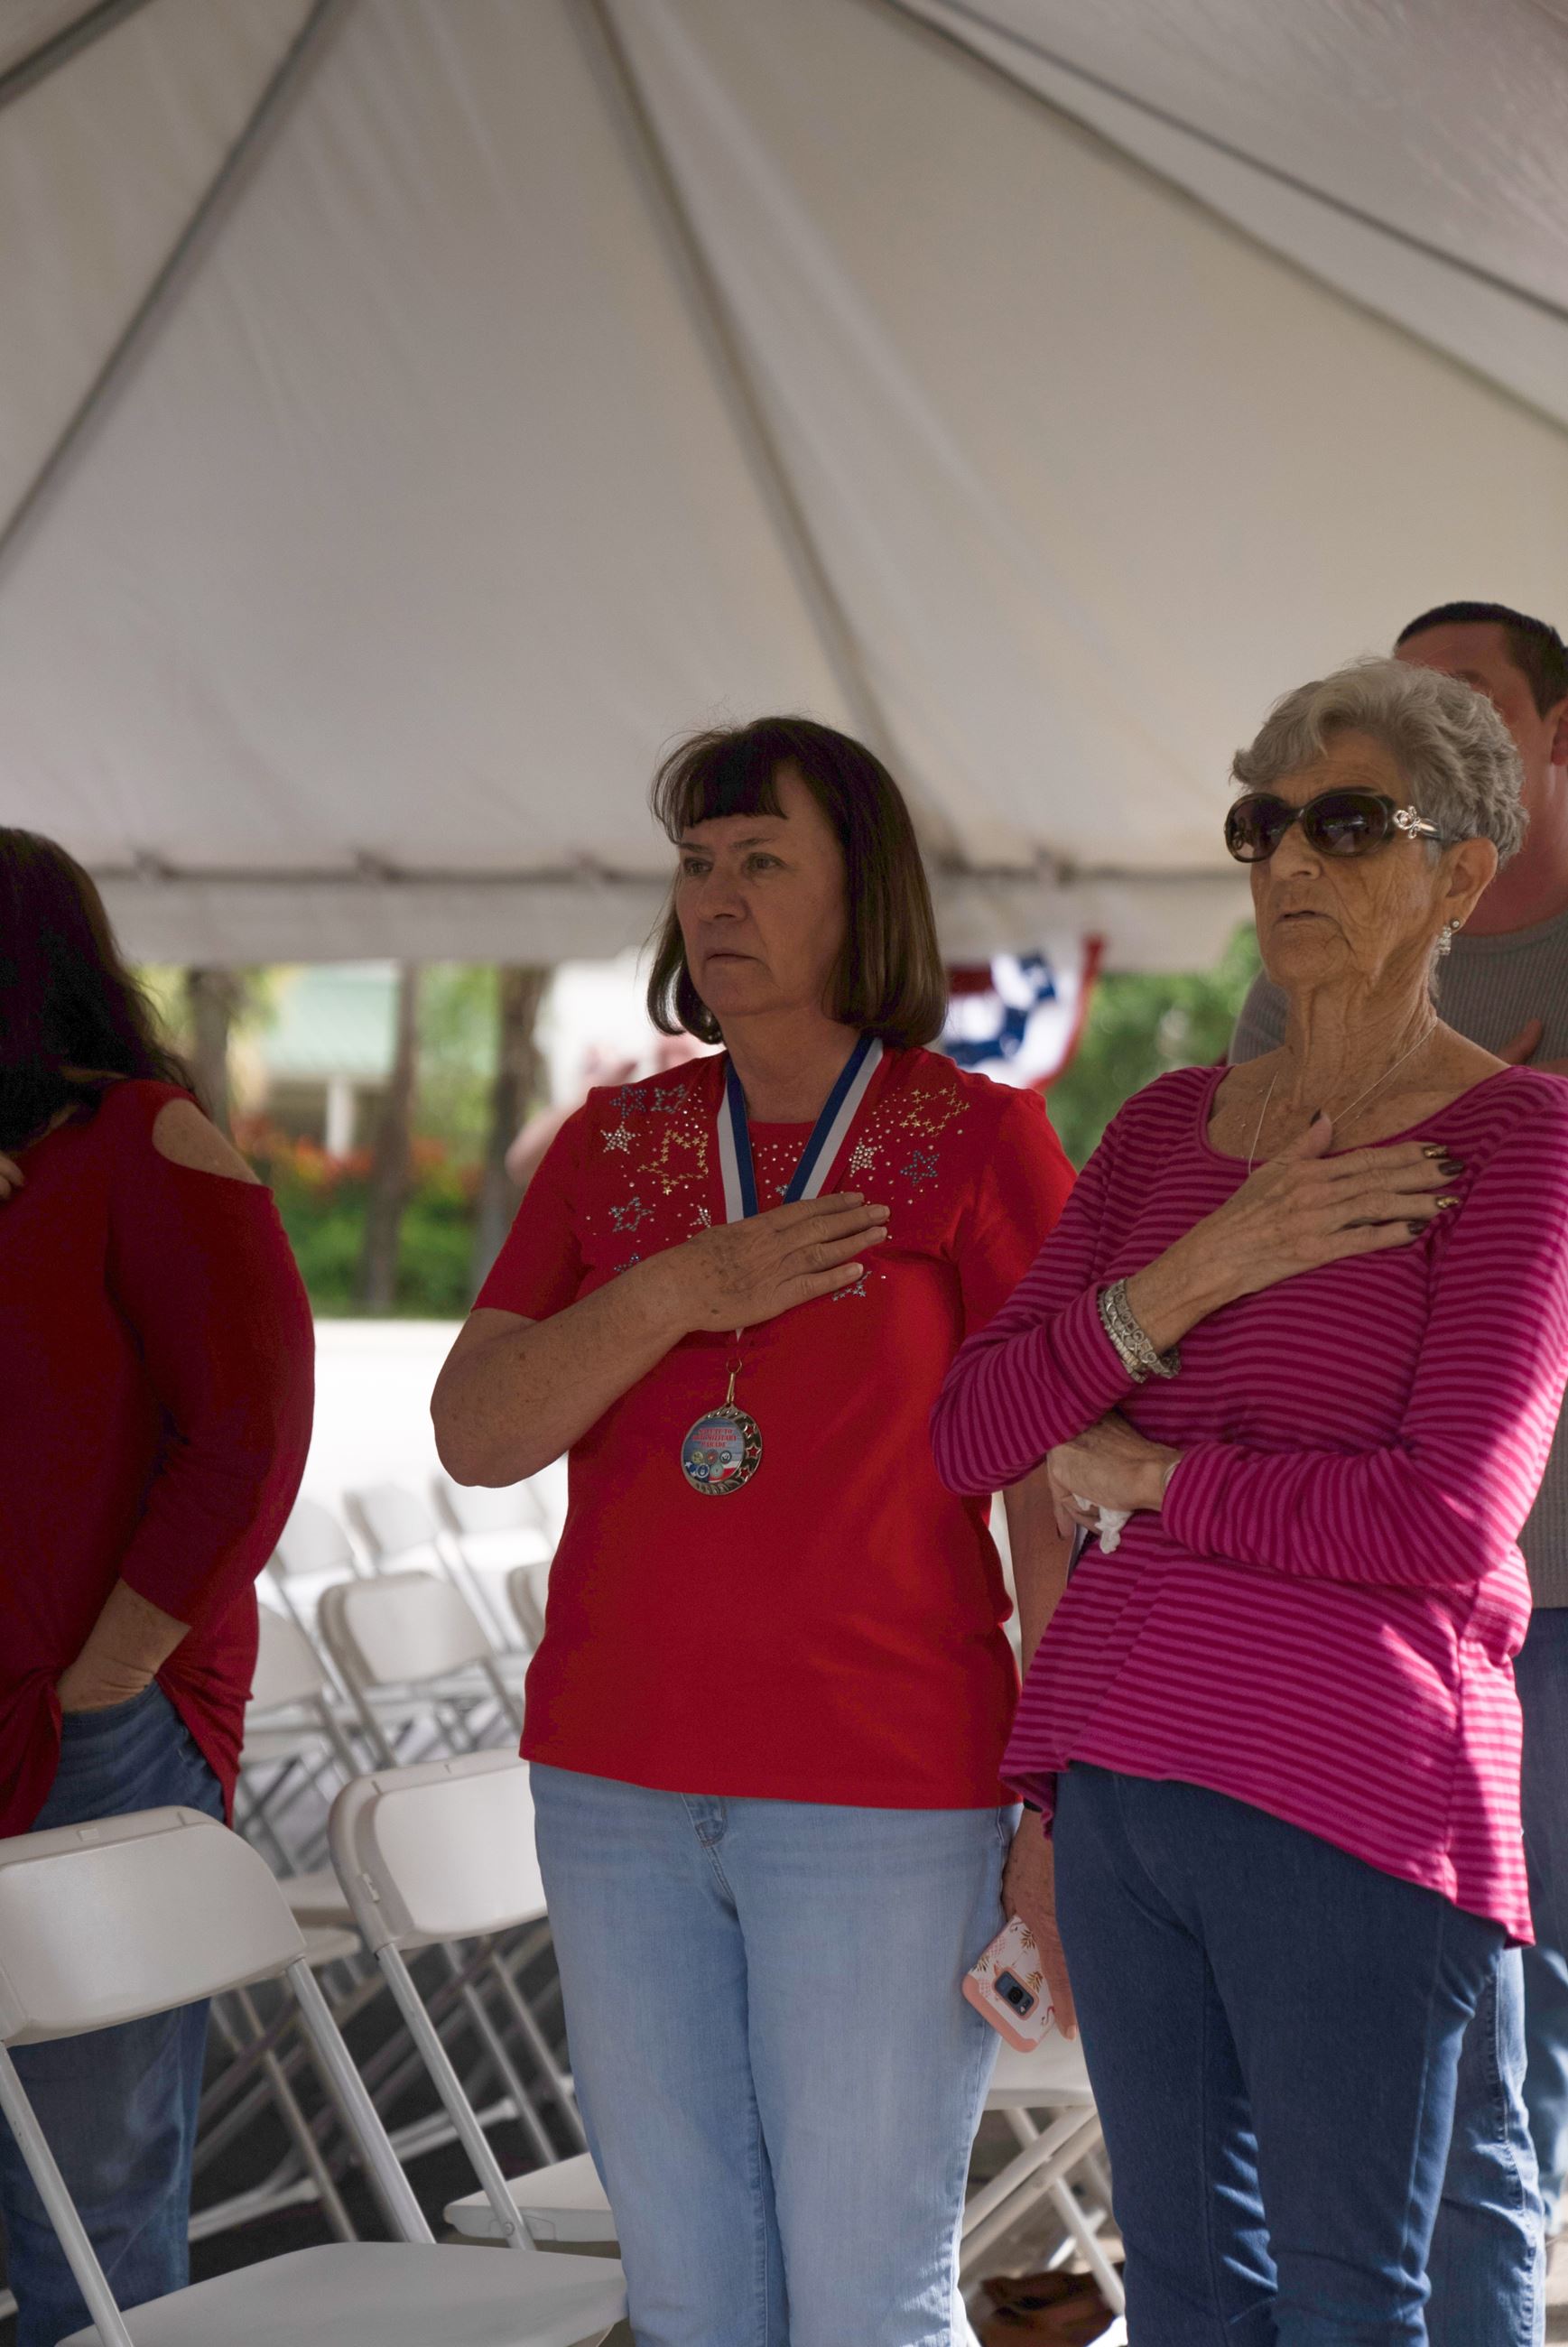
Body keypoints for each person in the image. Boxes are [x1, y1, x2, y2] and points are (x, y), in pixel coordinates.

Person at [932, 658, 1568, 2343]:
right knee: (1190, 2288)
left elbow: (1445, 1522)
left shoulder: (1516, 1142)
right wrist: (1198, 1272)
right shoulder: (1155, 1136)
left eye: (1346, 825)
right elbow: (972, 1426)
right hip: (1124, 1777)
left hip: (1351, 1784)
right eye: (1262, 825)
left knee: (1361, 2295)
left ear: (1458, 875)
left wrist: (1150, 1472)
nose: (1288, 861)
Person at [432, 716, 1076, 2347]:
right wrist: (675, 1293)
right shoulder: (613, 1145)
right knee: (692, 2302)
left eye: (762, 862)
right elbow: (480, 1428)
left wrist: (1059, 1798)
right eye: (696, 866)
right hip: (614, 1783)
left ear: (864, 897)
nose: (714, 898)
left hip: (883, 1792)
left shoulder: (979, 1140)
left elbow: (1056, 1502)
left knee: (865, 2298)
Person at [1232, 603, 1568, 2341]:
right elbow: (1244, 1242)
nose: (1301, 852)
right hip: (1330, 1579)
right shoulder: (1295, 969)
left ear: (1546, 745)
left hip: (1529, 1582)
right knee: (1342, 2086)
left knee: (1496, 2051)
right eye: (1276, 821)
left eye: (1473, 704)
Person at [0, 831, 314, 2347]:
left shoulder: (143, 1139)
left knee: (91, 2189)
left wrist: (109, 1672)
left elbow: (250, 1434)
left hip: (91, 1730)